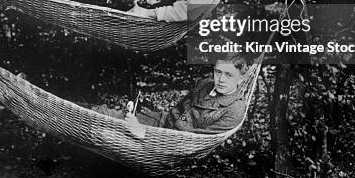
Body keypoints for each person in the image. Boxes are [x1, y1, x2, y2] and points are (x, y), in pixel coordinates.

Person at [94, 55, 249, 134]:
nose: (221, 79)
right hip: (162, 122)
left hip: (169, 144)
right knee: (103, 114)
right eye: (218, 72)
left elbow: (196, 142)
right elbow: (180, 107)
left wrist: (143, 133)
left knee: (110, 131)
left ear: (241, 78)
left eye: (229, 75)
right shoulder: (205, 83)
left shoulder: (234, 110)